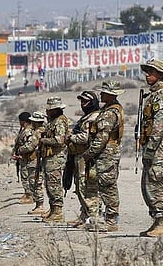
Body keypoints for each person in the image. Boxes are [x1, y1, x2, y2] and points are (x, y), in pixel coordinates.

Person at [139, 59, 163, 237]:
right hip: (152, 144)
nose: (147, 74)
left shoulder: (162, 94)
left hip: (158, 145)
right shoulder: (153, 94)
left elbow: (159, 124)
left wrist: (151, 148)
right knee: (147, 183)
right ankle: (157, 220)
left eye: (151, 71)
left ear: (160, 74)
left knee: (155, 181)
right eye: (147, 71)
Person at [83, 80, 124, 232]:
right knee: (104, 185)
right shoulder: (108, 109)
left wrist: (90, 153)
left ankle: (111, 221)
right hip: (106, 153)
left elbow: (102, 137)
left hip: (107, 153)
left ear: (110, 94)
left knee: (108, 186)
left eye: (104, 92)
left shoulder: (110, 112)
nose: (100, 94)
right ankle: (108, 219)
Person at [65, 91, 101, 228]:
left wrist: (70, 137)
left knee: (86, 187)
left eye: (85, 102)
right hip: (78, 155)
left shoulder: (93, 117)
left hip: (86, 156)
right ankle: (84, 215)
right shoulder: (86, 117)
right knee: (80, 187)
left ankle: (92, 217)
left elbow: (85, 138)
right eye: (81, 102)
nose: (82, 104)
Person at [40, 96, 69, 222]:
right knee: (49, 184)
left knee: (54, 185)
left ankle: (58, 211)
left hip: (56, 157)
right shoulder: (53, 121)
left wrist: (44, 140)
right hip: (50, 157)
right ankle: (52, 209)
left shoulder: (59, 121)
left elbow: (60, 140)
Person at [24, 111, 46, 215]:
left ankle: (40, 205)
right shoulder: (43, 130)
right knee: (37, 182)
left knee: (35, 182)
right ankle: (38, 205)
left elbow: (30, 146)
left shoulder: (37, 132)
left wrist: (20, 150)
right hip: (39, 160)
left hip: (35, 161)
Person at [11, 112, 33, 204]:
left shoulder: (27, 131)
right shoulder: (23, 130)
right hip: (22, 157)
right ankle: (27, 194)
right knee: (24, 176)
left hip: (25, 158)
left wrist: (20, 153)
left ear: (23, 121)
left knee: (26, 176)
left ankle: (30, 196)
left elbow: (28, 146)